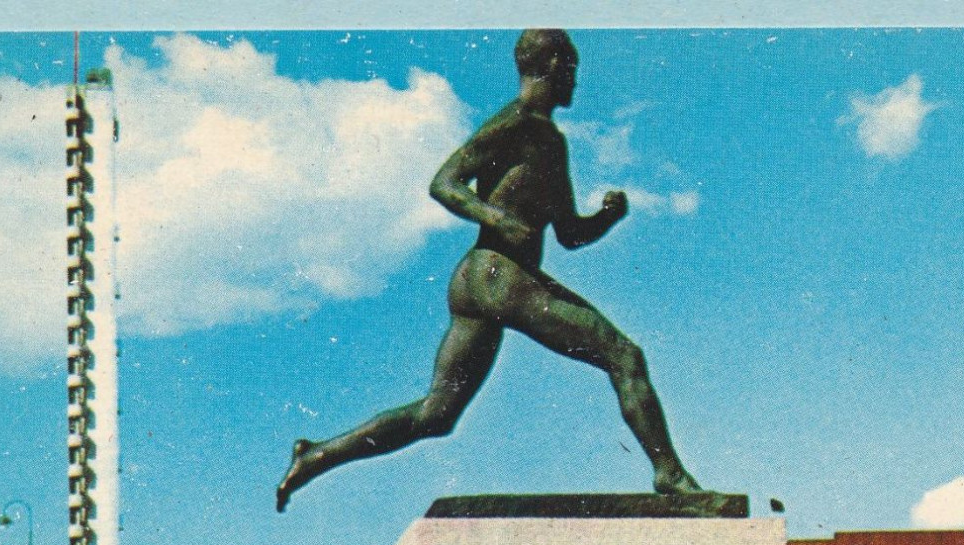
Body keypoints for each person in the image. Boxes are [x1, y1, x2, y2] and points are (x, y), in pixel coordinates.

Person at [276, 29, 703, 511]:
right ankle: (669, 474)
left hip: (478, 281)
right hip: (499, 274)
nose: (575, 82)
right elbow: (444, 182)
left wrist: (607, 216)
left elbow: (568, 234)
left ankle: (316, 456)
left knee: (437, 415)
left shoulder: (549, 140)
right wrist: (497, 217)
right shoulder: (518, 123)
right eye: (571, 70)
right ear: (551, 65)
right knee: (625, 356)